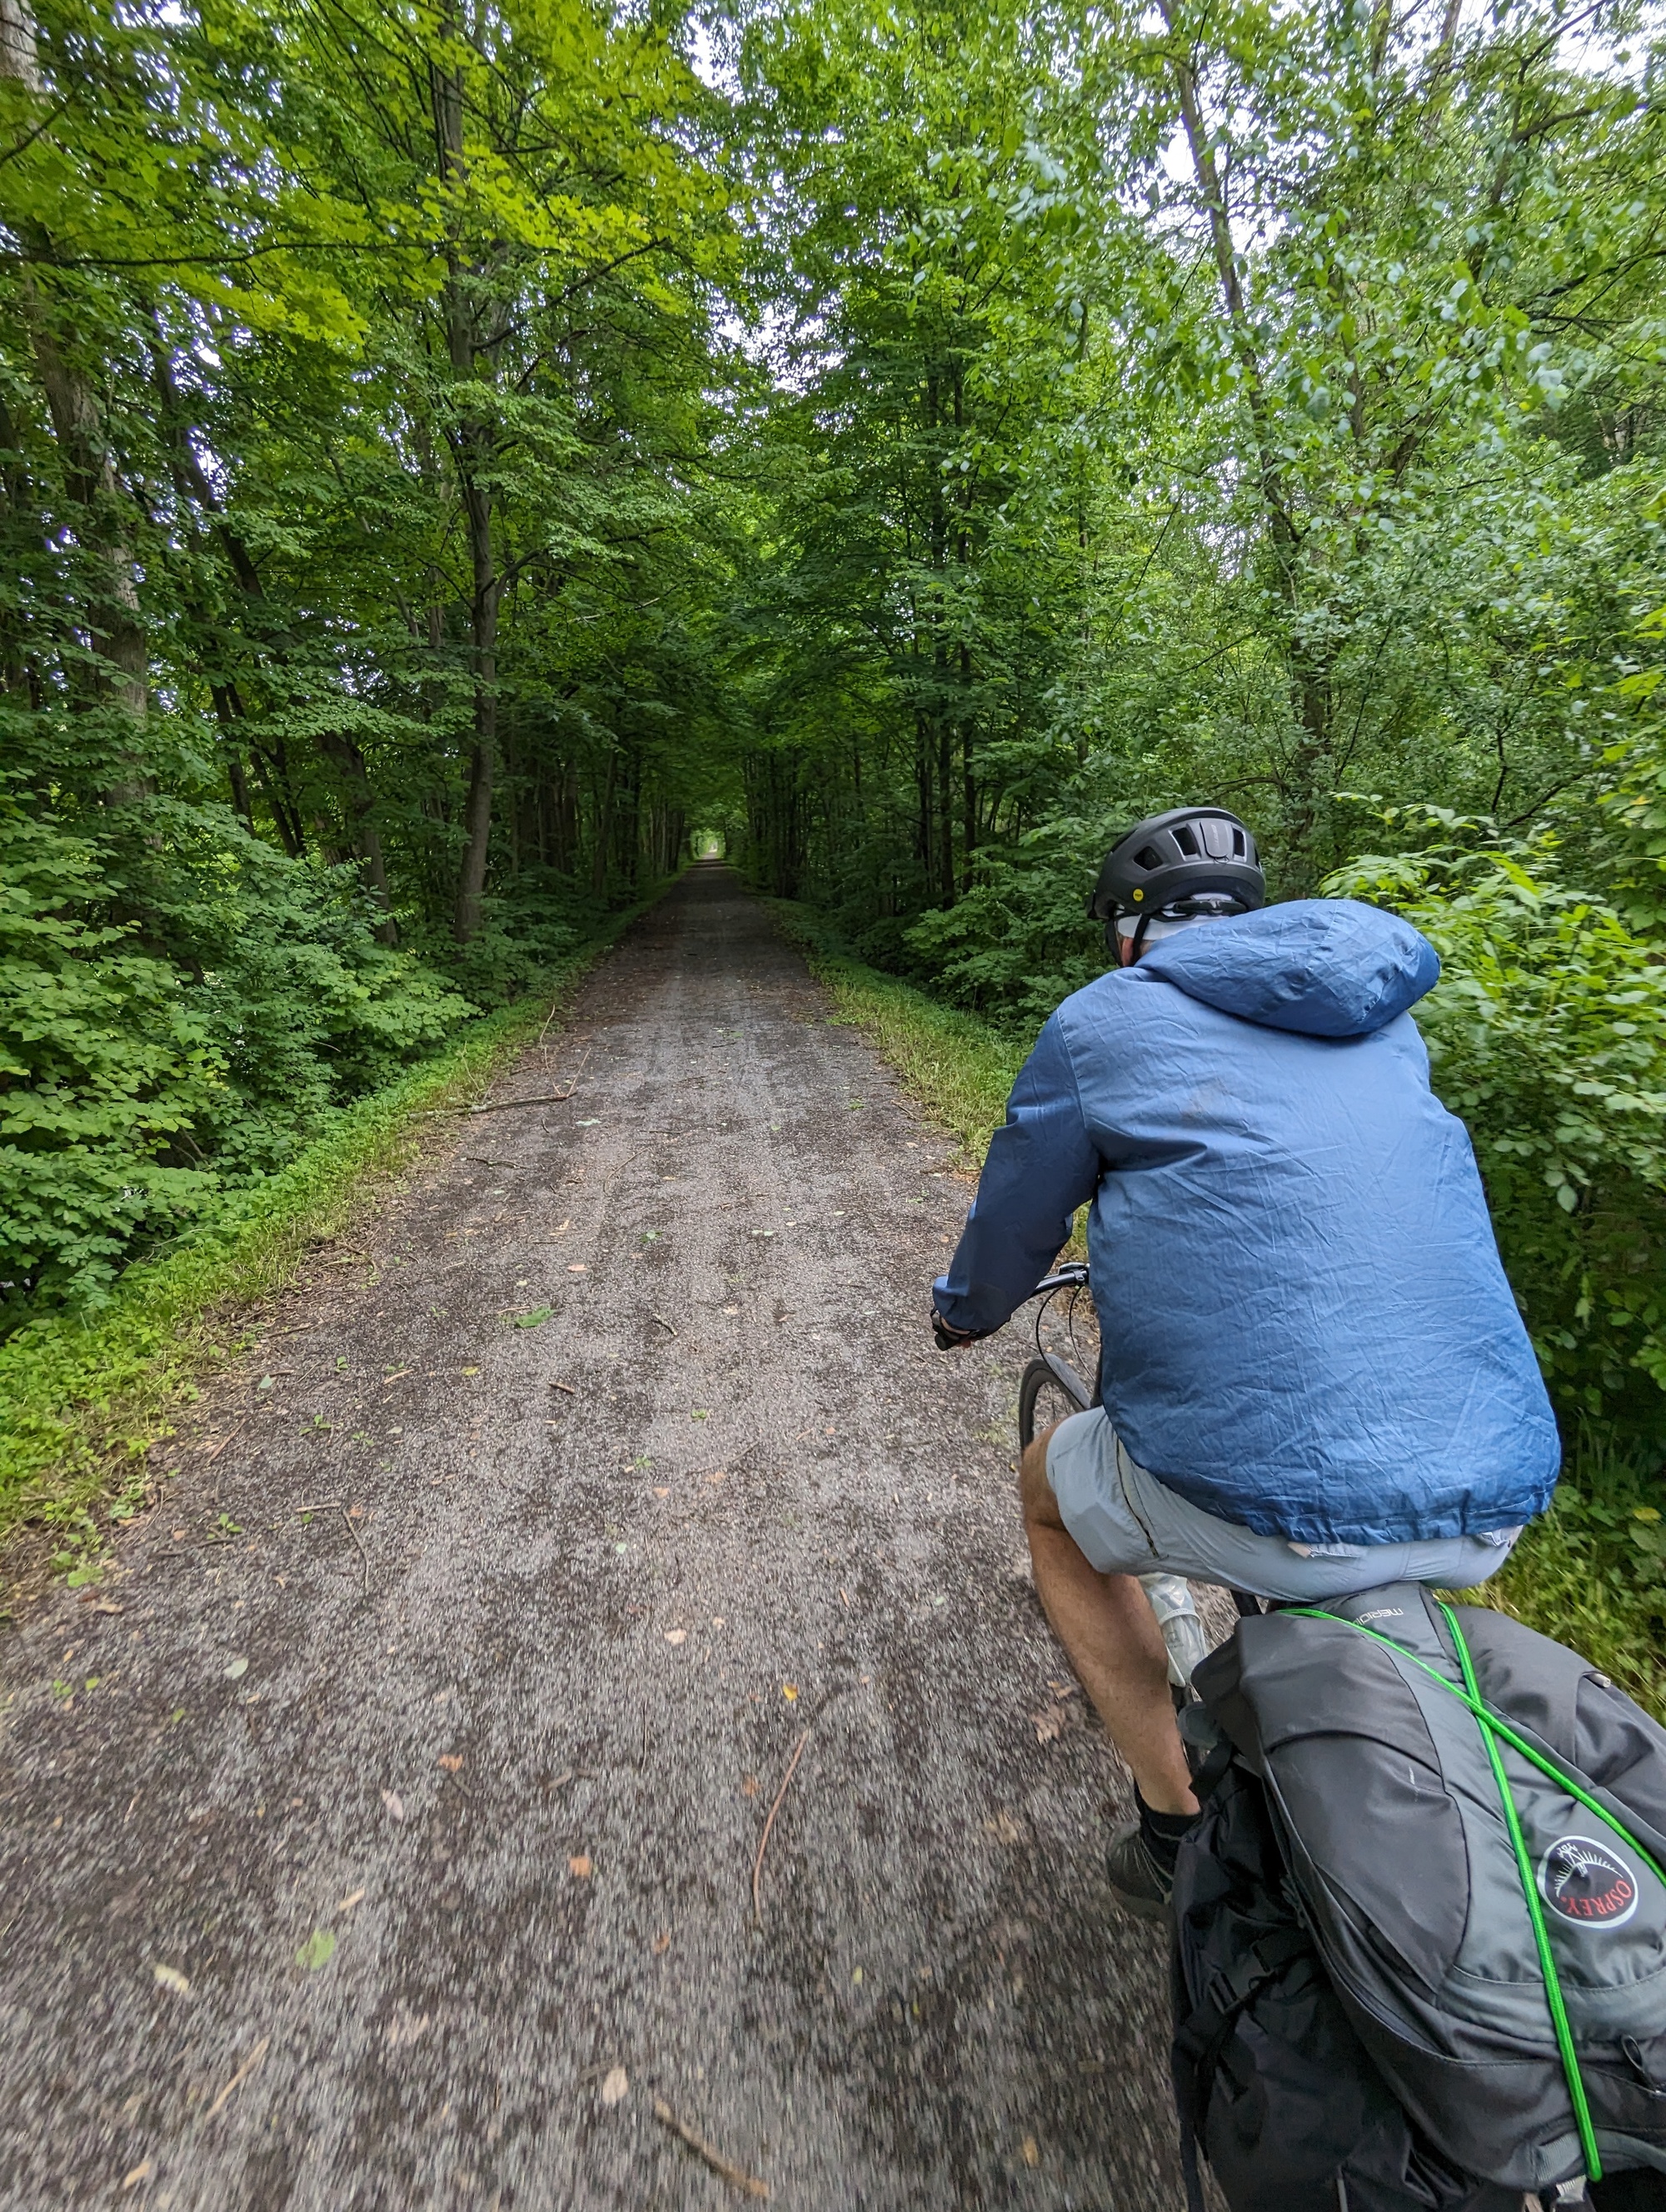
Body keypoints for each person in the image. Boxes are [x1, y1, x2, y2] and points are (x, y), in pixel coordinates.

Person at [930, 806, 1560, 1918]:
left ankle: (1172, 1825)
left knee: (1047, 1501)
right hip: (1489, 1484)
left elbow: (1018, 1218)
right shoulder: (1383, 1021)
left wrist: (965, 1316)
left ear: (1130, 931)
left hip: (1276, 1494)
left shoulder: (1101, 1020)